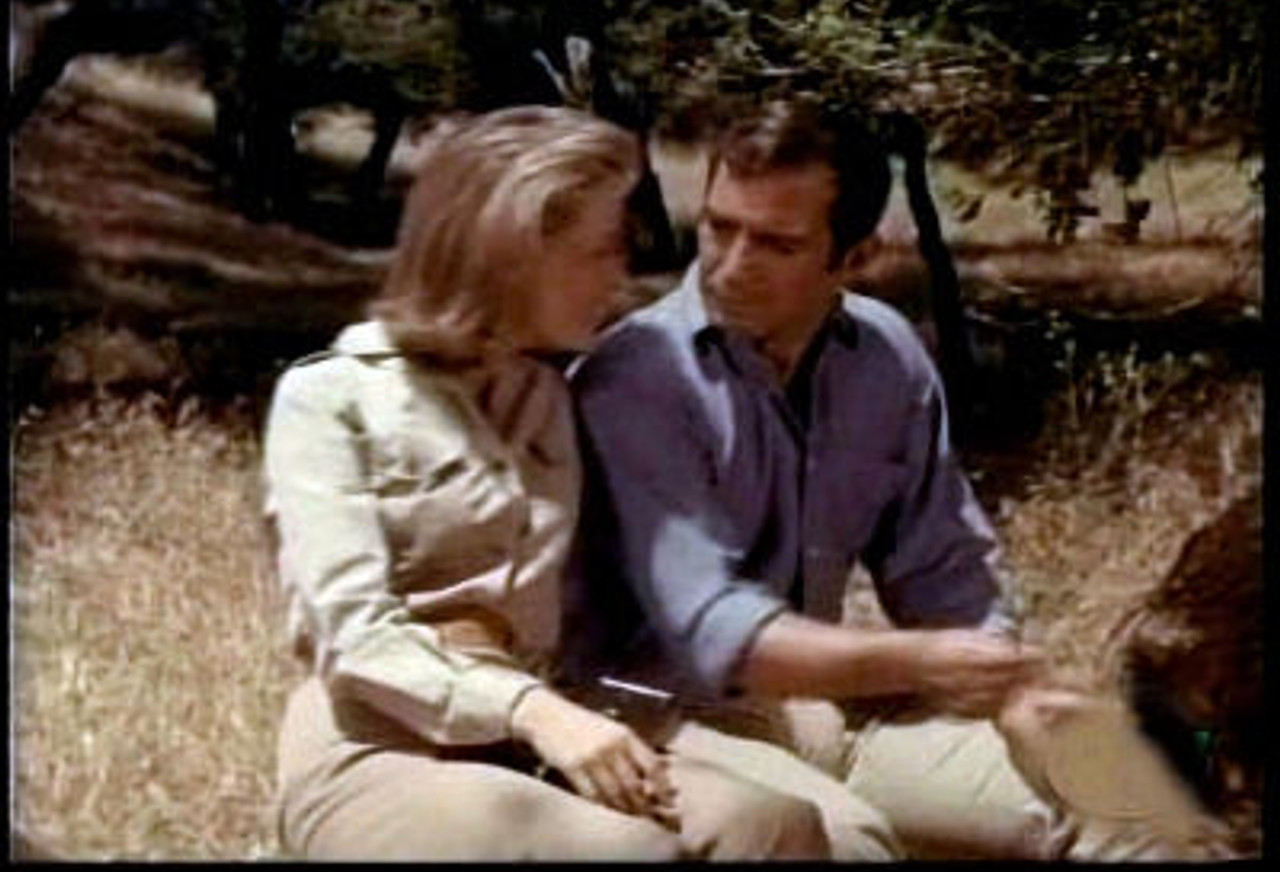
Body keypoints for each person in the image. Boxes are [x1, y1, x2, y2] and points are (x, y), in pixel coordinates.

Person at [566, 97, 1224, 860]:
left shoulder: (883, 355)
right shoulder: (640, 376)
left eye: (777, 243)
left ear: (856, 258)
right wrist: (917, 661)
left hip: (823, 711)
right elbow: (714, 631)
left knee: (1146, 802)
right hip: (659, 716)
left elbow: (942, 566)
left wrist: (1008, 692)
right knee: (849, 845)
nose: (732, 265)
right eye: (719, 227)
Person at [262, 105, 829, 860]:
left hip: (531, 733)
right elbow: (354, 637)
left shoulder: (548, 399)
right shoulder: (332, 396)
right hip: (381, 739)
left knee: (772, 823)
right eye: (600, 249)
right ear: (509, 254)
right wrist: (535, 712)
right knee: (626, 851)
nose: (619, 274)